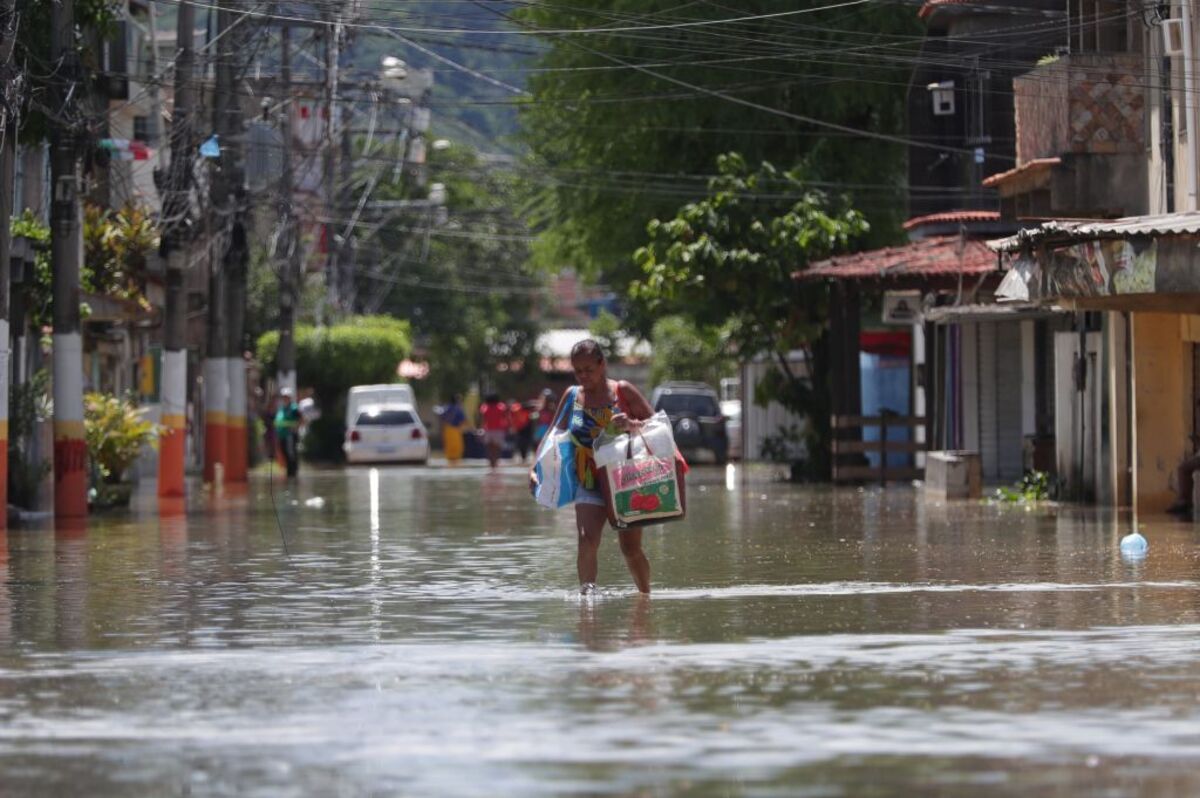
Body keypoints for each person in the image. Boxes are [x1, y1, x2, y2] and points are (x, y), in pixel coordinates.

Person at [529, 339, 656, 594]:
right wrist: (535, 468)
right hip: (588, 479)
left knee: (630, 549)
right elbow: (555, 432)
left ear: (603, 365)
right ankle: (588, 601)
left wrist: (631, 424)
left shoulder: (623, 392)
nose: (584, 375)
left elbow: (657, 426)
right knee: (586, 539)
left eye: (589, 369)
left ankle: (645, 598)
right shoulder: (572, 396)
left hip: (625, 481)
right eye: (578, 370)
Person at [274, 387, 303, 478]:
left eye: (286, 397)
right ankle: (289, 472)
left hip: (290, 435)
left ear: (290, 398)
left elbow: (301, 419)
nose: (285, 398)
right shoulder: (282, 409)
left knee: (291, 454)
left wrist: (295, 428)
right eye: (283, 397)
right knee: (285, 453)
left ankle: (292, 473)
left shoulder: (294, 408)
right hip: (282, 435)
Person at [478, 392, 511, 469]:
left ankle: (491, 464)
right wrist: (508, 426)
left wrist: (480, 428)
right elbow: (506, 417)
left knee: (489, 449)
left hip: (488, 430)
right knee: (497, 449)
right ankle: (495, 463)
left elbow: (482, 419)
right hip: (499, 430)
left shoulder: (484, 407)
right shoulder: (501, 407)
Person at [439, 394, 467, 467]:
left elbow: (442, 419)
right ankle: (456, 467)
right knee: (457, 450)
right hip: (455, 430)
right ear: (457, 400)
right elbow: (463, 420)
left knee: (449, 450)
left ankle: (450, 467)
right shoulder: (458, 409)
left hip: (447, 430)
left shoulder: (446, 408)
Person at [511, 397, 534, 464]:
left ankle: (523, 457)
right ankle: (523, 457)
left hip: (523, 430)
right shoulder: (522, 411)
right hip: (523, 430)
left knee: (523, 444)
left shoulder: (523, 411)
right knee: (523, 444)